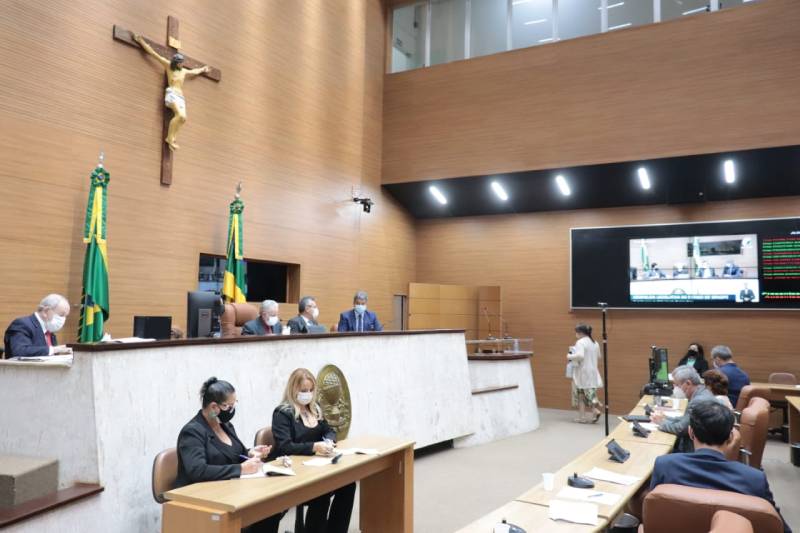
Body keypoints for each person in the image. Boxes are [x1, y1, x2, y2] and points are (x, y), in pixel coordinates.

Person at [650, 400, 791, 533]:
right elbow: (776, 524)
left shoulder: (665, 465)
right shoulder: (755, 478)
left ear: (691, 433)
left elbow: (653, 511)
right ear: (730, 437)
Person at [175, 377, 283, 532]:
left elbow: (234, 454)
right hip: (203, 498)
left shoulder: (225, 425)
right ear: (214, 407)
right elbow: (197, 470)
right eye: (229, 406)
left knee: (271, 505)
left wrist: (250, 453)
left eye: (234, 405)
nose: (232, 410)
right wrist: (241, 469)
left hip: (231, 491)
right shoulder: (192, 432)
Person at [270, 368, 355, 533]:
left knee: (348, 484)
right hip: (295, 471)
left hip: (316, 466)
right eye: (303, 390)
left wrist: (329, 440)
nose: (308, 394)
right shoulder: (283, 413)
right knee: (322, 491)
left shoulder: (314, 408)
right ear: (293, 389)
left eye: (310, 390)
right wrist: (314, 446)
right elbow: (285, 446)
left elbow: (329, 430)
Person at [133, 34, 210, 151]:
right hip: (172, 93)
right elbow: (154, 54)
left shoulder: (183, 71)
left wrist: (203, 69)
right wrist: (141, 41)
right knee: (180, 115)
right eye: (180, 62)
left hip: (180, 97)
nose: (182, 64)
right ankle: (169, 138)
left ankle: (172, 138)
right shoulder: (168, 66)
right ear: (176, 62)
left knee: (183, 118)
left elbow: (194, 72)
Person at [650, 365, 715, 452]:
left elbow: (680, 429)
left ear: (688, 383)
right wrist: (665, 418)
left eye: (677, 385)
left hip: (692, 451)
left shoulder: (698, 401)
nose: (675, 388)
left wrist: (661, 423)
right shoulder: (702, 392)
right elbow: (685, 420)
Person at [3, 294, 72, 358]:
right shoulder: (22, 324)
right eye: (61, 315)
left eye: (65, 316)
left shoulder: (49, 332)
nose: (63, 319)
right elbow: (20, 351)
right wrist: (54, 349)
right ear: (46, 311)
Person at [566, 323, 603, 424]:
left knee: (581, 394)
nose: (576, 334)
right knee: (590, 393)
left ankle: (589, 414)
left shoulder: (580, 342)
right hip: (593, 372)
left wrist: (569, 356)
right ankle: (588, 414)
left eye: (576, 332)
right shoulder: (595, 343)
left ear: (581, 332)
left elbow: (580, 356)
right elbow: (599, 356)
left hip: (583, 372)